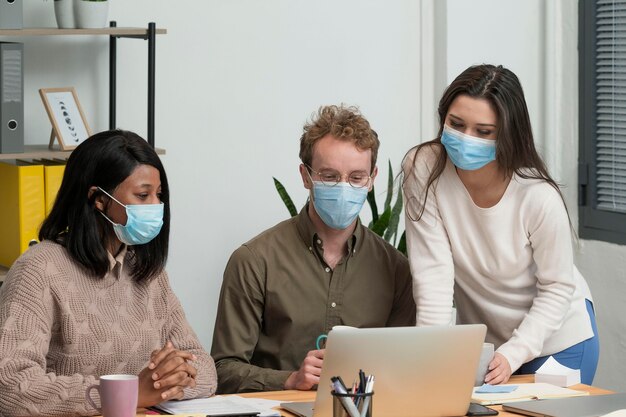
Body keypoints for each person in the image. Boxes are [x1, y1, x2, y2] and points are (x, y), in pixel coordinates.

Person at [402, 64, 599, 385]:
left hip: (558, 340)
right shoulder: (424, 168)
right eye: (456, 124)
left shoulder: (537, 195)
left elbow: (557, 288)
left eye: (483, 131)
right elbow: (432, 274)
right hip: (489, 346)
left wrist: (514, 353)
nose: (466, 138)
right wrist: (431, 358)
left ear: (507, 133)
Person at [0, 130, 217, 416]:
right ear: (98, 199)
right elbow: (10, 386)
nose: (156, 206)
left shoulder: (148, 273)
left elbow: (204, 368)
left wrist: (166, 381)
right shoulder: (39, 270)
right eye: (143, 195)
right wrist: (129, 393)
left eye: (158, 195)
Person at [211, 104, 416, 394]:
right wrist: (289, 379)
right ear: (306, 176)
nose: (344, 187)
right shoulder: (254, 261)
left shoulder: (396, 269)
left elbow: (405, 366)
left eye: (356, 177)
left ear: (372, 179)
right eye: (329, 176)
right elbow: (223, 369)